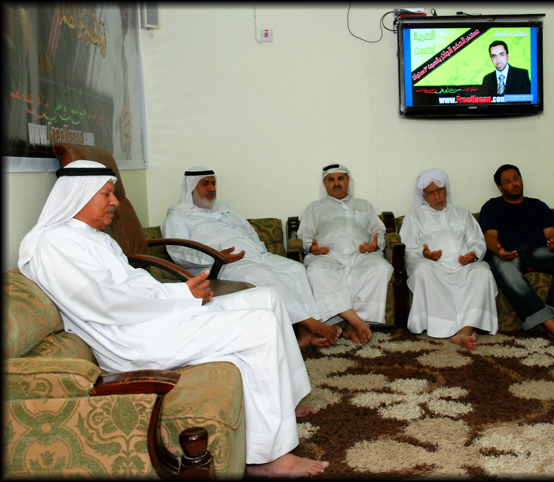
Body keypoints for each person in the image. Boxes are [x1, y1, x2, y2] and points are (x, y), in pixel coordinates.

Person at [17, 160, 328, 478]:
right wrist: (182, 296)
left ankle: (285, 403)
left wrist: (183, 294)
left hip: (150, 319)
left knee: (266, 297)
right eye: (106, 194)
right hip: (132, 340)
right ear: (79, 195)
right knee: (260, 325)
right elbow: (107, 302)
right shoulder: (52, 244)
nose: (114, 202)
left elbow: (133, 287)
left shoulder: (95, 237)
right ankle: (267, 459)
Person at [161, 166, 342, 348]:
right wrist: (216, 255)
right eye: (205, 184)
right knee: (263, 275)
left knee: (296, 269)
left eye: (213, 184)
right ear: (191, 187)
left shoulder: (223, 208)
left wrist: (259, 251)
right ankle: (313, 325)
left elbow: (249, 230)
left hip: (254, 255)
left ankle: (303, 335)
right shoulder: (178, 214)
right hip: (220, 264)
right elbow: (178, 250)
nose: (211, 188)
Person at [479, 164, 554, 346]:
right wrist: (499, 250)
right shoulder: (492, 206)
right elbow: (490, 236)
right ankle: (552, 324)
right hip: (510, 253)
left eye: (516, 178)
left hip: (538, 252)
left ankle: (553, 313)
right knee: (501, 265)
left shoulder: (537, 205)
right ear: (500, 187)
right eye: (508, 181)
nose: (514, 184)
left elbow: (550, 233)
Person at [399, 168, 498, 350]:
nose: (437, 196)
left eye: (440, 190)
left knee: (483, 272)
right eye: (431, 192)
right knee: (422, 270)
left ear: (446, 189)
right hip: (434, 267)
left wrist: (473, 255)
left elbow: (477, 241)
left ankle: (464, 331)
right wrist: (424, 254)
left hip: (463, 266)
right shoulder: (414, 217)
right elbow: (407, 247)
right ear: (424, 196)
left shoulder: (462, 213)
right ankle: (459, 329)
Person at [297, 164, 393, 346]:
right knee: (316, 271)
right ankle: (358, 323)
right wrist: (311, 247)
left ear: (348, 180)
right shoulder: (314, 208)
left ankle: (353, 325)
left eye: (340, 178)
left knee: (382, 268)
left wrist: (375, 244)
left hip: (361, 254)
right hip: (328, 255)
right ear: (325, 183)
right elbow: (305, 234)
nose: (336, 183)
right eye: (331, 180)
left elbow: (378, 230)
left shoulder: (364, 205)